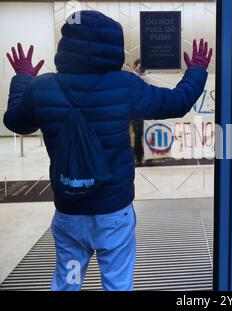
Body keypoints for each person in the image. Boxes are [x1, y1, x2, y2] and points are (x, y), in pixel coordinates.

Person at [3, 10, 212, 291]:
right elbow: (176, 102)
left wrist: (23, 79)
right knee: (117, 283)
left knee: (69, 281)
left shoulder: (42, 88)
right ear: (113, 45)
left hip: (70, 215)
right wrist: (197, 71)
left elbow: (16, 122)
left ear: (67, 45)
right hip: (113, 214)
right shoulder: (124, 85)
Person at [131, 58, 145, 166]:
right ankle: (138, 157)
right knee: (138, 134)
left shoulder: (147, 77)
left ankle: (144, 155)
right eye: (140, 66)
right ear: (135, 66)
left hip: (145, 109)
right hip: (135, 110)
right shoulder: (131, 77)